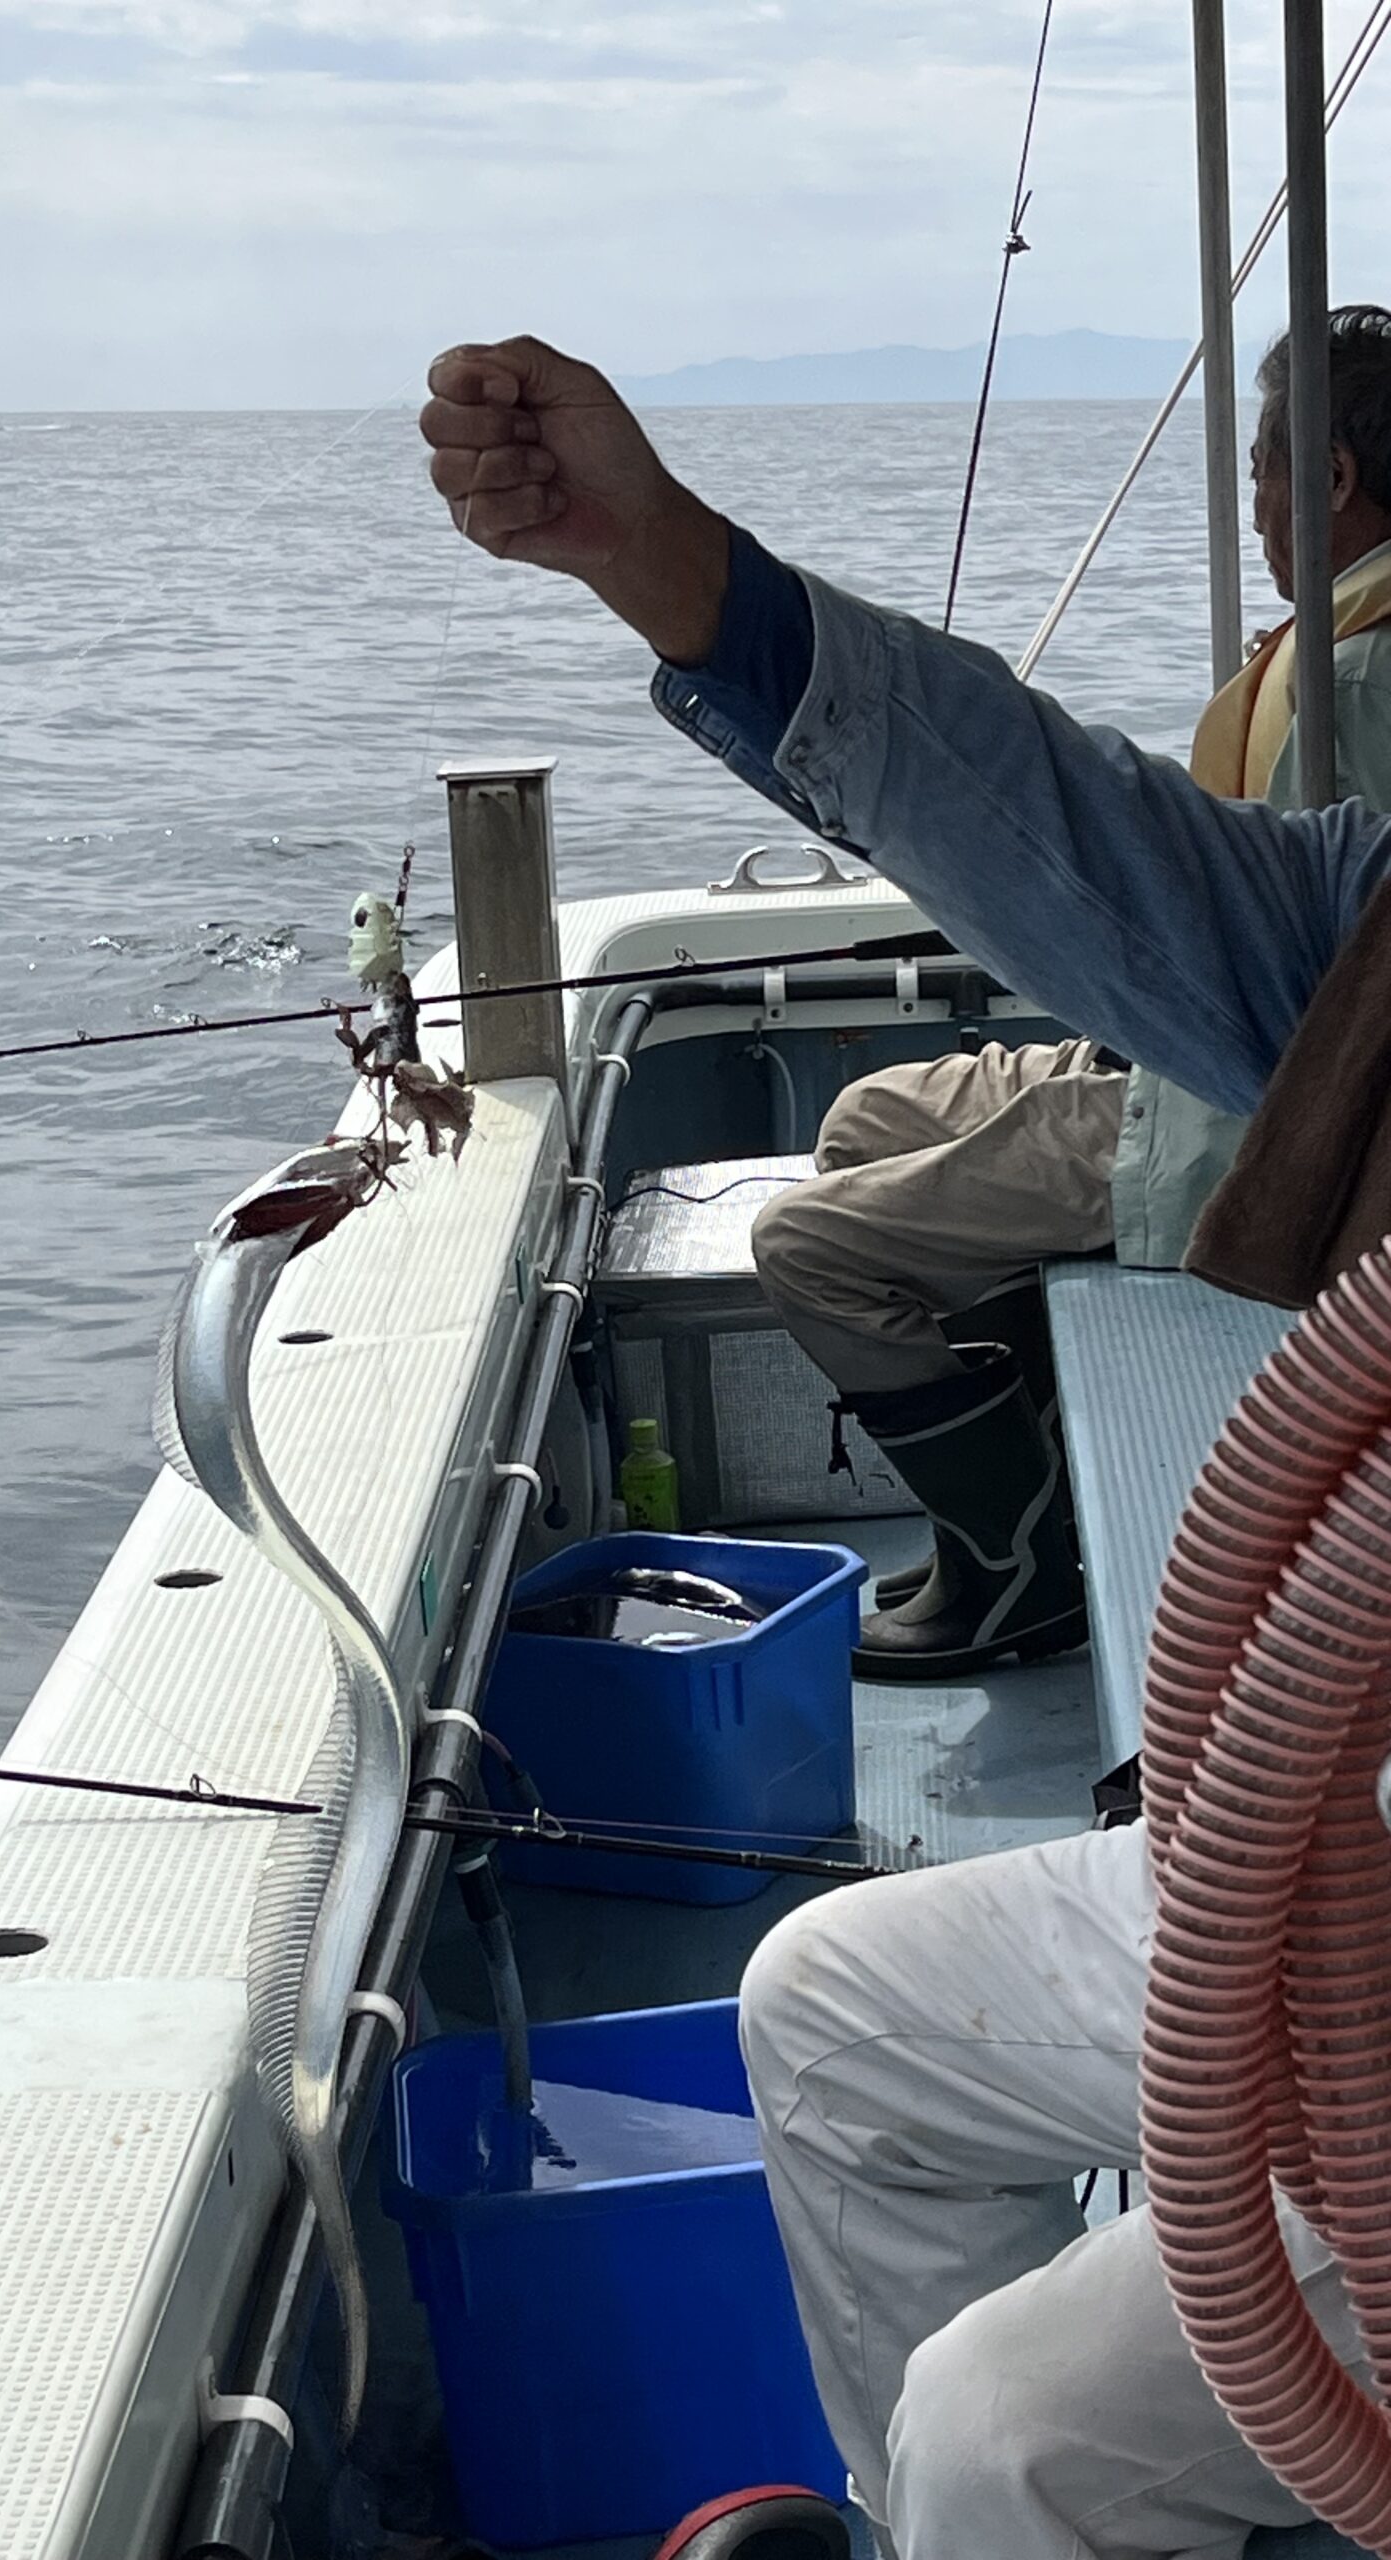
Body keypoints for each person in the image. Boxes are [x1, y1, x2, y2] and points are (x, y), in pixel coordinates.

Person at [418, 336, 1388, 2560]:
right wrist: (672, 571)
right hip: (1335, 1863)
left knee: (1004, 2428)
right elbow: (1106, 855)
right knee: (832, 2007)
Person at [745, 306, 1391, 1679]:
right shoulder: (1342, 651)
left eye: (1264, 470)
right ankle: (1024, 1481)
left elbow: (1302, 1013)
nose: (1256, 509)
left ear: (1332, 479)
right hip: (1165, 1057)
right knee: (861, 1116)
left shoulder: (1362, 685)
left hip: (1228, 1123)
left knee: (808, 1247)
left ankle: (1015, 1567)